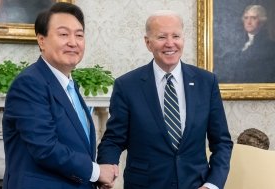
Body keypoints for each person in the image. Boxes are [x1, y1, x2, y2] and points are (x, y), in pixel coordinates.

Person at [97, 10, 233, 189]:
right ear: (148, 43)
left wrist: (212, 185)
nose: (170, 44)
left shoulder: (206, 82)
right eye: (161, 37)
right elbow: (114, 139)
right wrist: (106, 167)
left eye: (176, 36)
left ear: (183, 39)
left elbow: (221, 142)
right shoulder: (127, 85)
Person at [2, 2, 117, 189]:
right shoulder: (29, 83)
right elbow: (45, 148)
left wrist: (93, 179)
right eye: (63, 34)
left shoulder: (70, 85)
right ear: (41, 40)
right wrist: (96, 172)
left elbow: (77, 146)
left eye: (79, 35)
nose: (73, 42)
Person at [216, 4, 275, 83]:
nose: (248, 22)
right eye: (246, 18)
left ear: (262, 22)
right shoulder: (237, 44)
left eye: (253, 18)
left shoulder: (271, 47)